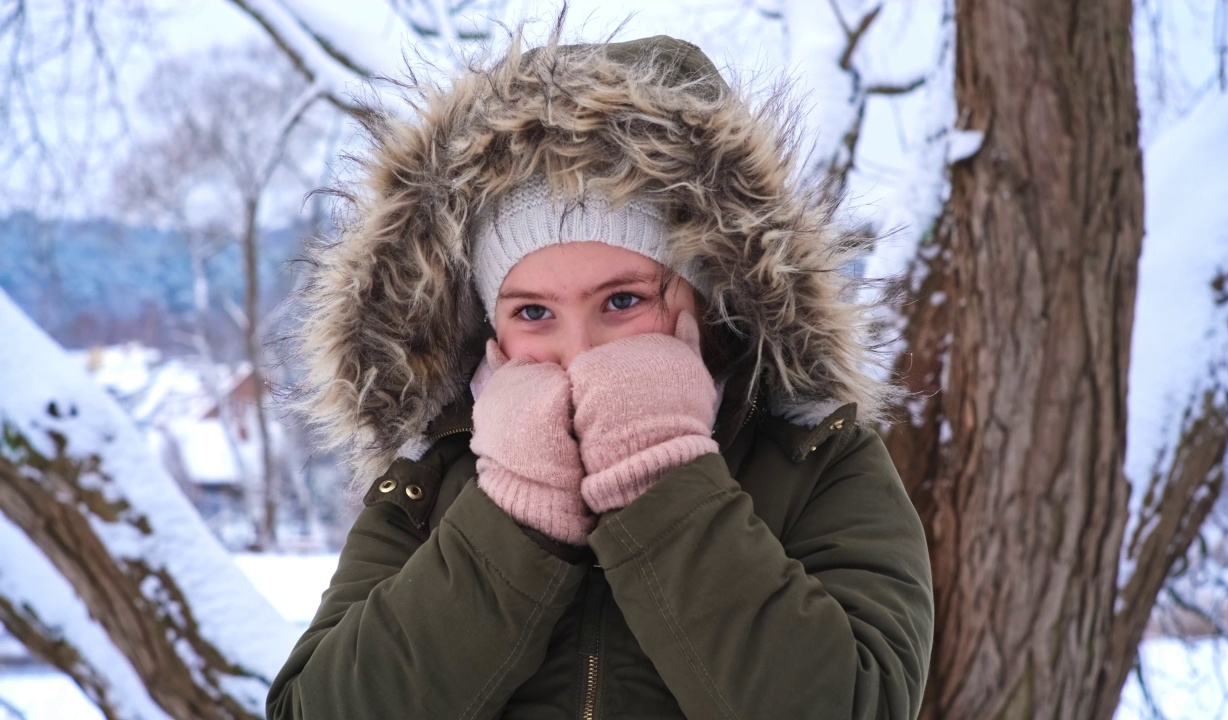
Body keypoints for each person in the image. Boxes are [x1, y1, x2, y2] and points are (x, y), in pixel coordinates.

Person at [267, 28, 933, 720]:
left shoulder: (816, 462)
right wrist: (511, 517)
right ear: (489, 327)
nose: (580, 351)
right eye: (533, 311)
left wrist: (661, 475)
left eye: (623, 301)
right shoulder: (433, 476)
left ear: (707, 299)